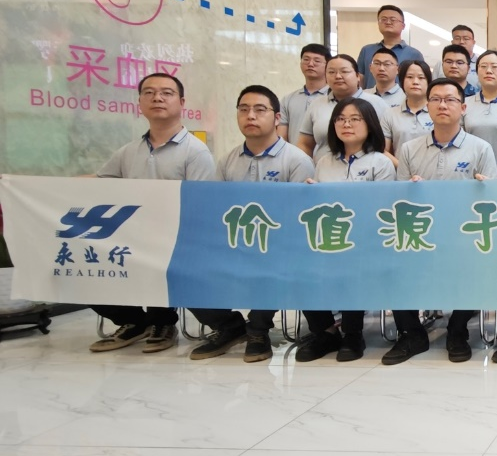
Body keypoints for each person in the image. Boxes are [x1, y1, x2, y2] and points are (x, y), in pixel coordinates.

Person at [88, 73, 217, 354]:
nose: (157, 98)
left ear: (181, 102)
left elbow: (201, 205)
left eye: (166, 93)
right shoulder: (128, 151)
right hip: (131, 236)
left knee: (163, 262)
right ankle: (135, 322)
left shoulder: (195, 152)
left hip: (176, 238)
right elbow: (98, 184)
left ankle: (162, 323)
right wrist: (32, 186)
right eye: (149, 92)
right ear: (139, 102)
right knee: (83, 269)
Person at [186, 85, 315, 363]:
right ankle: (229, 327)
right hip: (234, 242)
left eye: (259, 110)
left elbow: (299, 216)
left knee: (273, 262)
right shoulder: (228, 160)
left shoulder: (296, 160)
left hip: (280, 244)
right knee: (186, 268)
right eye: (243, 110)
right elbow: (217, 208)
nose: (251, 116)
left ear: (277, 117)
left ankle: (258, 331)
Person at [396, 78, 497, 365]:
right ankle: (413, 335)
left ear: (463, 108)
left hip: (464, 233)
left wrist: (482, 186)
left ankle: (457, 331)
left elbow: (492, 198)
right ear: (427, 106)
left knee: (476, 264)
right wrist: (412, 189)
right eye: (436, 99)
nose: (443, 105)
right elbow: (399, 198)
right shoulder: (409, 149)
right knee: (394, 266)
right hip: (421, 232)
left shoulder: (480, 148)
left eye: (450, 100)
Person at [296, 97, 396, 363]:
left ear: (369, 124)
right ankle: (325, 332)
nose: (346, 124)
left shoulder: (380, 162)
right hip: (328, 238)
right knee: (298, 266)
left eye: (354, 119)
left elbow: (382, 207)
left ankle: (353, 333)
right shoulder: (324, 162)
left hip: (366, 240)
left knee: (355, 264)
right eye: (340, 119)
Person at [297, 54, 393, 160]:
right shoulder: (317, 104)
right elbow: (305, 144)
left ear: (358, 76)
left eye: (344, 71)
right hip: (324, 167)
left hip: (368, 168)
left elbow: (387, 145)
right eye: (331, 72)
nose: (338, 76)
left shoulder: (376, 103)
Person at [355, 5, 424, 88]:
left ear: (403, 26)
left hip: (402, 96)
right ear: (378, 24)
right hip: (370, 95)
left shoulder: (414, 54)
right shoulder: (367, 50)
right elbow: (360, 79)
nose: (388, 22)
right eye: (383, 19)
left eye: (393, 20)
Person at [278, 43, 330, 144]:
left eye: (317, 61)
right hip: (294, 153)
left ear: (328, 66)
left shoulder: (334, 97)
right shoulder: (287, 99)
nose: (310, 64)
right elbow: (281, 137)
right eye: (306, 59)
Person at [388, 60, 434, 150]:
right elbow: (384, 150)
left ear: (429, 82)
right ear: (402, 81)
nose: (415, 82)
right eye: (409, 77)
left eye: (421, 77)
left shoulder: (438, 112)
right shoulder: (390, 114)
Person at [433, 25, 481, 90]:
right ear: (452, 42)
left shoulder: (481, 64)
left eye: (466, 38)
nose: (461, 42)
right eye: (457, 38)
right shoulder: (440, 64)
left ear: (473, 42)